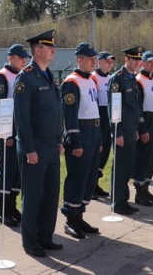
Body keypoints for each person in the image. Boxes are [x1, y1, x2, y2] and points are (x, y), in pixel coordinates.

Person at [13, 30, 64, 258]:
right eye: (49, 47)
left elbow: (55, 111)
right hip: (34, 148)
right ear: (37, 50)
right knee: (32, 195)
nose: (54, 50)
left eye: (53, 47)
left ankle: (45, 236)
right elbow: (21, 118)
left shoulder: (48, 76)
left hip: (52, 146)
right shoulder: (26, 77)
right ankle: (30, 241)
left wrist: (59, 140)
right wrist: (30, 149)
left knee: (51, 193)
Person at [60, 42, 102, 239]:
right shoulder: (72, 82)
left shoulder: (91, 80)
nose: (94, 61)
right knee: (78, 176)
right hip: (81, 133)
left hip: (93, 132)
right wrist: (76, 142)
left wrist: (99, 138)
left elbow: (95, 109)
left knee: (90, 177)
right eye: (90, 58)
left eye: (95, 58)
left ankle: (80, 215)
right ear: (79, 59)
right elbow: (70, 116)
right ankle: (70, 218)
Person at [0, 44, 30, 227]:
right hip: (8, 128)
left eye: (25, 58)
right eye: (21, 57)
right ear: (10, 58)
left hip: (20, 128)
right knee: (7, 168)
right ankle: (3, 209)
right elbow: (0, 108)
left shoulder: (22, 75)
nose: (24, 60)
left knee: (17, 171)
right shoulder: (2, 77)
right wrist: (6, 134)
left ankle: (12, 205)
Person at [108, 46, 144, 215]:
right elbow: (113, 108)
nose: (137, 63)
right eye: (134, 60)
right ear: (126, 60)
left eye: (138, 60)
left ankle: (124, 200)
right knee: (120, 167)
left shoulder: (132, 79)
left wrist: (135, 128)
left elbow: (134, 106)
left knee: (128, 166)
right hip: (121, 130)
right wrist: (118, 132)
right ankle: (117, 202)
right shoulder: (118, 79)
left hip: (131, 129)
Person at [133, 50, 153, 206]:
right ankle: (139, 191)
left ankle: (146, 187)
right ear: (142, 63)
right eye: (150, 62)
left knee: (152, 158)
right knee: (143, 157)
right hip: (146, 120)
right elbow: (138, 107)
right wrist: (142, 129)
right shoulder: (138, 80)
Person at [91, 51, 115, 198]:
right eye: (107, 61)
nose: (110, 64)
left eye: (111, 62)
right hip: (99, 115)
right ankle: (90, 185)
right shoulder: (94, 77)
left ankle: (96, 182)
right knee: (97, 150)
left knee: (105, 150)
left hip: (109, 115)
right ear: (99, 62)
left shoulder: (111, 78)